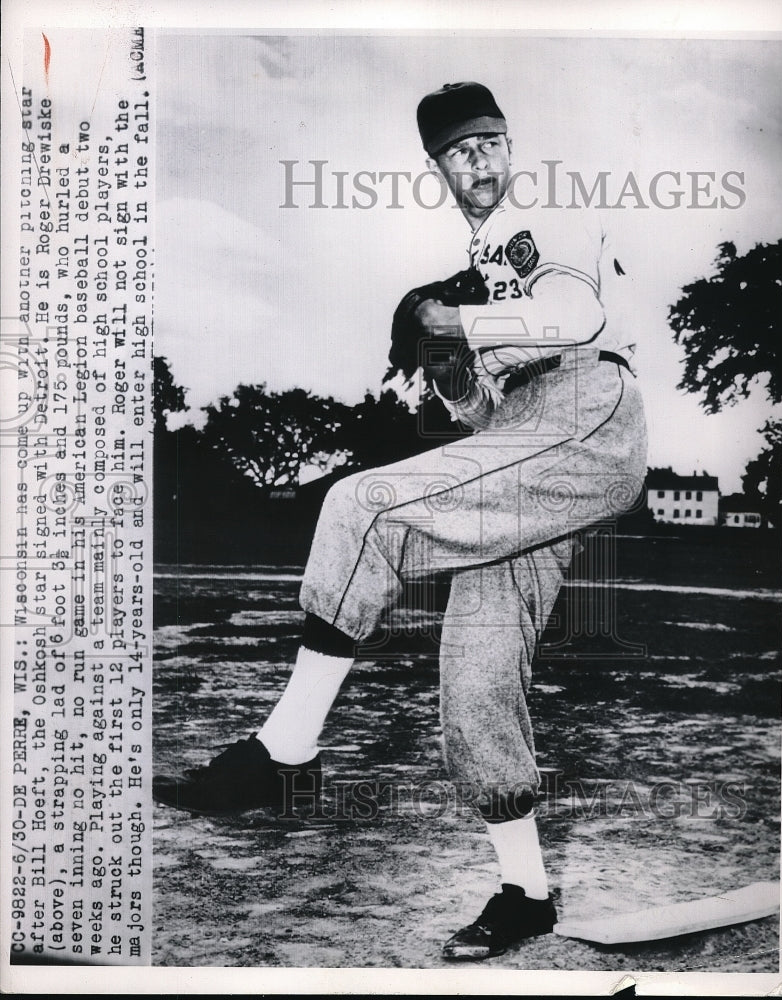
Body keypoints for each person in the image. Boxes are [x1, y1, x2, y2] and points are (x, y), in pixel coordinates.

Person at [153, 81, 648, 961]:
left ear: (510, 143)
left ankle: (286, 750)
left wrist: (446, 314)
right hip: (523, 444)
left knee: (361, 503)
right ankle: (524, 892)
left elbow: (580, 316)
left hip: (584, 415)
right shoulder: (482, 253)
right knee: (474, 674)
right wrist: (444, 358)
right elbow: (479, 418)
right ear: (439, 168)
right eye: (461, 152)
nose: (481, 162)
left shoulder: (542, 214)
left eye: (492, 142)